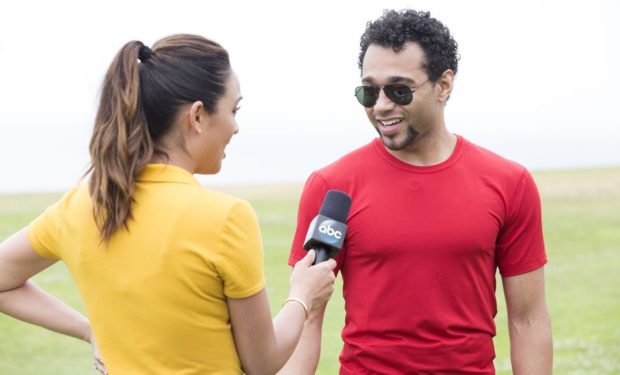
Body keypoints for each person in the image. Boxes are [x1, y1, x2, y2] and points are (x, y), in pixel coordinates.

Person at [0, 34, 337, 374]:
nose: (235, 127)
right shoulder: (226, 218)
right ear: (197, 116)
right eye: (233, 110)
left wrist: (91, 330)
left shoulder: (79, 204)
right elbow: (263, 364)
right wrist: (302, 296)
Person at [282, 9, 552, 374]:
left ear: (443, 85)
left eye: (398, 90)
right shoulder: (332, 187)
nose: (381, 106)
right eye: (369, 91)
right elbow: (308, 318)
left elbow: (529, 321)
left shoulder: (509, 183)